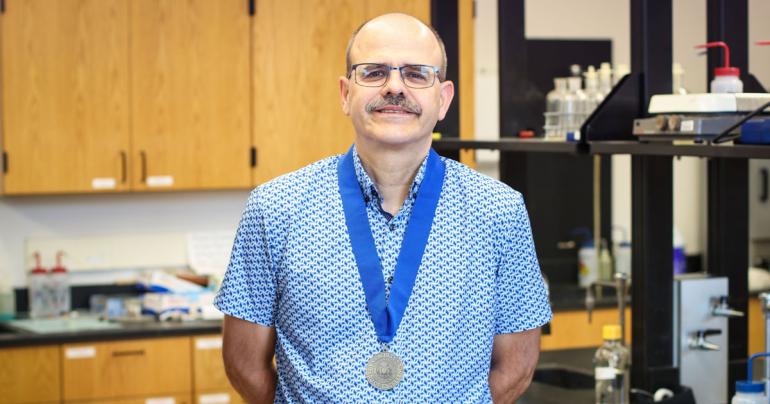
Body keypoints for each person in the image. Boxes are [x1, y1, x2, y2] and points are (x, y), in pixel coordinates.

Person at [214, 13, 552, 403]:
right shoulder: (276, 208)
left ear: (443, 99)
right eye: (373, 72)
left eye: (416, 73)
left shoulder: (499, 212)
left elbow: (517, 366)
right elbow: (243, 363)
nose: (394, 87)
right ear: (345, 94)